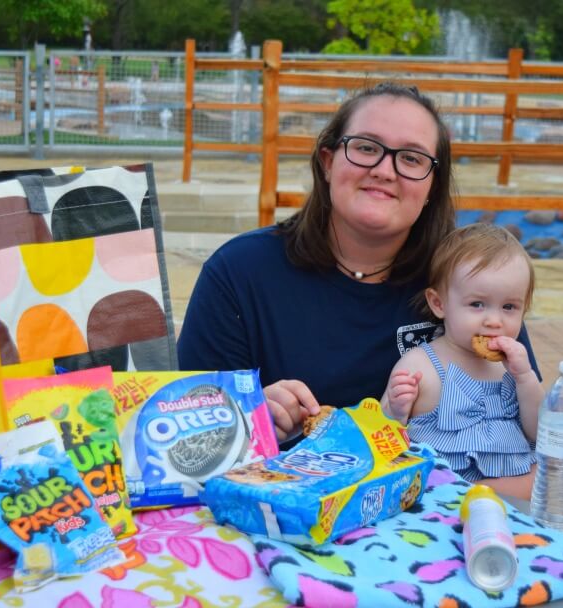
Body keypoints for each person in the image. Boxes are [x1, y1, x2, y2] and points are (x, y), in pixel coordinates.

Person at [177, 81, 540, 448]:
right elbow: (187, 438)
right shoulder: (239, 273)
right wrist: (250, 417)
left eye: (412, 158)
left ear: (432, 186)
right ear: (328, 162)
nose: (385, 170)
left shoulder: (469, 277)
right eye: (366, 148)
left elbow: (529, 427)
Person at [382, 223, 541, 499]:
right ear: (439, 304)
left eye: (509, 307)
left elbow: (537, 431)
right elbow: (383, 433)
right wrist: (396, 409)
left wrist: (526, 378)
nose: (494, 321)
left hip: (513, 493)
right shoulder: (421, 365)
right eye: (477, 304)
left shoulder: (513, 368)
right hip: (444, 496)